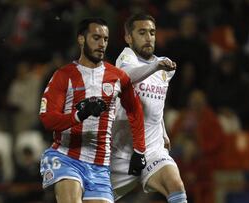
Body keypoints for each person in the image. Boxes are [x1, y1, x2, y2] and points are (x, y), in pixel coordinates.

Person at [39, 18, 147, 203]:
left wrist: (139, 150)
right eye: (96, 37)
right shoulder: (63, 75)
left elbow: (135, 110)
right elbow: (48, 119)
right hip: (66, 157)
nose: (101, 44)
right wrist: (79, 115)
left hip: (100, 165)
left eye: (105, 39)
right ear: (81, 39)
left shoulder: (118, 77)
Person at [110, 13, 187, 203]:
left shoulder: (163, 68)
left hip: (152, 150)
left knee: (176, 185)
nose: (148, 37)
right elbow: (127, 77)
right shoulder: (126, 58)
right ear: (129, 38)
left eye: (152, 32)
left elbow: (154, 104)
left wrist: (164, 132)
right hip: (120, 153)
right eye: (142, 32)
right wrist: (155, 66)